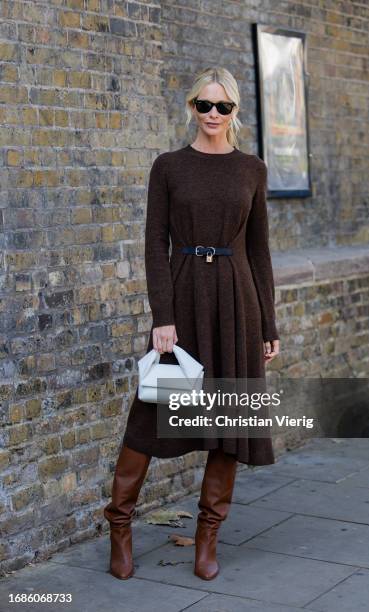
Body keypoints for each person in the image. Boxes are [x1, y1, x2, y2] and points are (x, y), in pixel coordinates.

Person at [103, 66, 280, 581]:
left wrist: (268, 322)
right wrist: (164, 318)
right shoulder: (168, 166)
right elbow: (154, 244)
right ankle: (120, 526)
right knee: (149, 417)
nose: (212, 115)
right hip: (182, 296)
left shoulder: (252, 169)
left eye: (222, 107)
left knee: (227, 422)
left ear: (235, 112)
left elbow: (260, 250)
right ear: (191, 108)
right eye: (203, 105)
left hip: (236, 302)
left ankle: (207, 539)